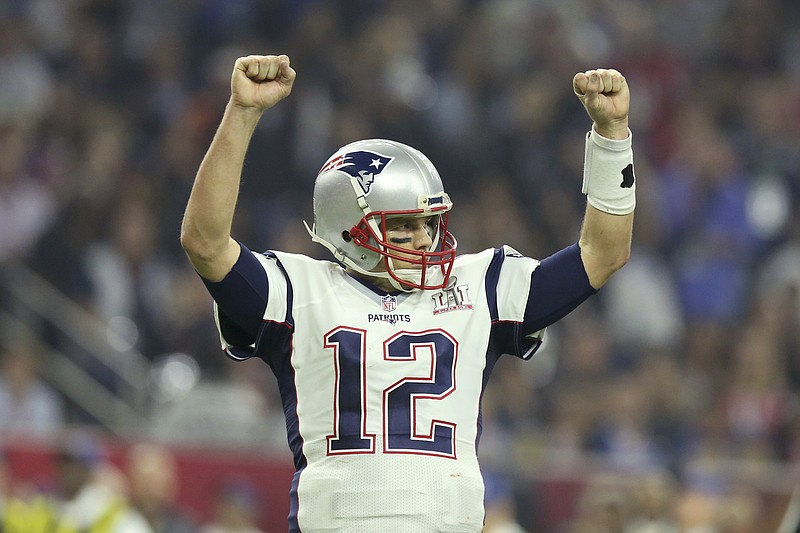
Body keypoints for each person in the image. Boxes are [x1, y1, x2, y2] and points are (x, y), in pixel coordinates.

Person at [180, 54, 635, 531]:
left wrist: (611, 136)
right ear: (346, 230)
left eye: (428, 224)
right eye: (400, 228)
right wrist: (242, 113)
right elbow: (205, 243)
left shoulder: (478, 286)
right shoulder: (299, 292)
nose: (422, 241)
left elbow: (603, 253)